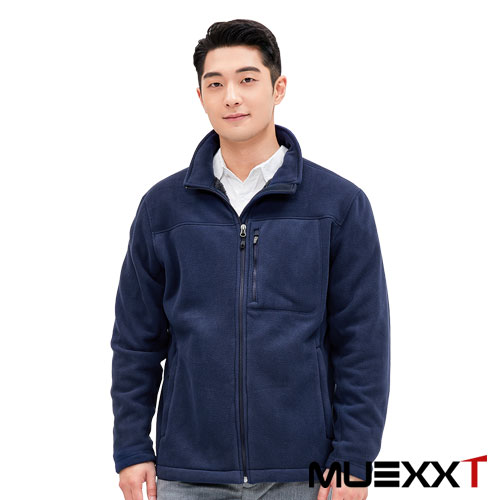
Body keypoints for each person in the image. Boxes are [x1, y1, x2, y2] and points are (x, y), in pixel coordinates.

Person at [110, 18, 390, 500]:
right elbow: (136, 341)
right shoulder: (163, 209)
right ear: (200, 97)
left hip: (304, 473)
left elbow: (363, 343)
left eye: (247, 79)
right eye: (215, 84)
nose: (232, 97)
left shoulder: (339, 205)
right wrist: (132, 448)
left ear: (278, 88)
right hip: (188, 475)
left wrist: (353, 456)